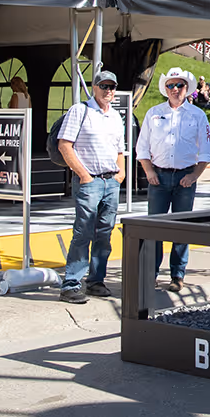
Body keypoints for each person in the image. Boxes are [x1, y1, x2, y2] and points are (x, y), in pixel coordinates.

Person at [136, 66, 210, 292]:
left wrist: (194, 175)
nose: (175, 89)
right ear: (166, 89)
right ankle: (150, 274)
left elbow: (207, 150)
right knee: (155, 229)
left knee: (182, 229)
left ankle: (177, 275)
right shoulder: (153, 113)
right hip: (158, 178)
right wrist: (149, 172)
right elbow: (141, 148)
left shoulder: (197, 115)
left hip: (184, 178)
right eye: (171, 85)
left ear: (187, 88)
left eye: (179, 85)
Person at [55, 69, 126, 304]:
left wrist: (121, 173)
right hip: (90, 180)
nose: (108, 91)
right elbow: (65, 145)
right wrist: (83, 175)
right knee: (83, 232)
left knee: (105, 233)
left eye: (112, 87)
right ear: (94, 87)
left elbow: (119, 149)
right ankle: (71, 284)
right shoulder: (80, 110)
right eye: (104, 86)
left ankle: (96, 281)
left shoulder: (115, 116)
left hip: (111, 181)